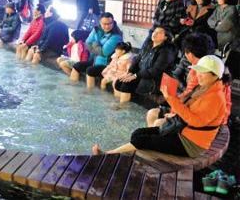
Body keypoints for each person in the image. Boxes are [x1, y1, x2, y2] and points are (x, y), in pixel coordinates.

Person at [92, 55, 226, 158]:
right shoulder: (205, 88)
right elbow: (190, 110)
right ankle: (123, 158)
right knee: (138, 134)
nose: (198, 75)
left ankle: (108, 155)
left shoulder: (215, 97)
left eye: (203, 72)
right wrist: (174, 112)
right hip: (181, 131)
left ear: (215, 75)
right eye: (198, 71)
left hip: (191, 144)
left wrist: (171, 100)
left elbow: (196, 121)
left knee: (143, 141)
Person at [147, 32, 215, 128]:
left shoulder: (199, 73)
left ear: (190, 54)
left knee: (158, 123)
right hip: (191, 109)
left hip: (197, 117)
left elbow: (189, 97)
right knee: (152, 114)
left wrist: (171, 103)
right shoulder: (213, 67)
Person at [114, 26, 176, 104]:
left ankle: (123, 106)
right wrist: (130, 72)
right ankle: (122, 103)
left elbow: (155, 71)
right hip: (141, 75)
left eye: (159, 32)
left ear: (165, 37)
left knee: (126, 84)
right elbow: (137, 60)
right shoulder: (148, 45)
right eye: (154, 31)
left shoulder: (166, 52)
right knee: (120, 81)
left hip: (154, 80)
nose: (155, 33)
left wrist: (136, 75)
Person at [70, 12, 122, 89]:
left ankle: (90, 93)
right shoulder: (97, 30)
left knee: (90, 70)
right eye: (104, 24)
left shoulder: (116, 36)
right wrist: (97, 49)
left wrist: (95, 43)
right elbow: (87, 45)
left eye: (109, 23)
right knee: (77, 66)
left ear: (113, 22)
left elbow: (104, 52)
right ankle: (73, 89)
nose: (107, 26)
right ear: (100, 23)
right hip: (94, 60)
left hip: (107, 64)